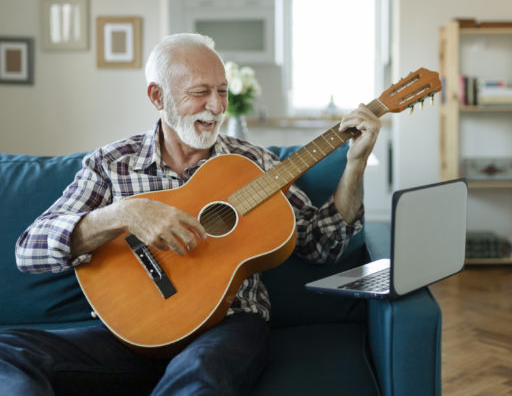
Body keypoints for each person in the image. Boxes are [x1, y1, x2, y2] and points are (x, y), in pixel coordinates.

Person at [0, 33, 381, 395]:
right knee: (10, 352)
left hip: (228, 325)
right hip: (130, 334)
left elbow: (324, 246)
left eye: (221, 92)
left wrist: (355, 164)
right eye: (200, 93)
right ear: (157, 96)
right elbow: (28, 251)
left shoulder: (252, 162)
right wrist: (123, 214)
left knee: (201, 377)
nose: (215, 106)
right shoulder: (112, 164)